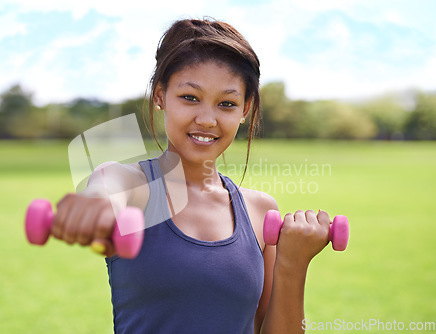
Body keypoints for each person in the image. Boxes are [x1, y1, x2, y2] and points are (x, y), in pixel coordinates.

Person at [50, 18, 332, 334]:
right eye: (190, 98)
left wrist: (292, 267)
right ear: (159, 96)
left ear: (245, 109)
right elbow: (105, 187)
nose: (207, 119)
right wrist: (96, 207)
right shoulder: (132, 186)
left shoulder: (260, 210)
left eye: (226, 103)